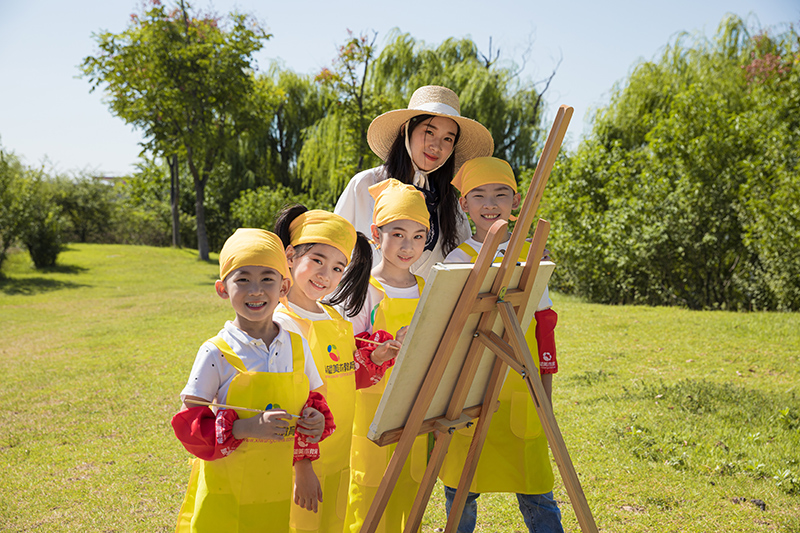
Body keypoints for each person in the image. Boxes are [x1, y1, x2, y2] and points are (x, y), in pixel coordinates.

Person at [171, 228, 335, 533]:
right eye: (242, 279)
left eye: (267, 279)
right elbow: (189, 423)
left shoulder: (296, 346)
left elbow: (310, 403)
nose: (256, 290)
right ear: (222, 288)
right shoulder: (216, 352)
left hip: (277, 489)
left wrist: (313, 424)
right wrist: (242, 427)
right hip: (226, 491)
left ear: (284, 286)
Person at [438, 157, 563, 533]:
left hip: (520, 384)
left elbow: (544, 324)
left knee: (535, 485)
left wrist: (547, 388)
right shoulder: (458, 259)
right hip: (470, 386)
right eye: (479, 195)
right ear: (465, 205)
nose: (490, 203)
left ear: (516, 199)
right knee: (461, 485)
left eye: (500, 194)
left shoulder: (531, 253)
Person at [271, 207, 395, 533]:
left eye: (338, 267)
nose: (326, 274)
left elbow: (345, 376)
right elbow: (287, 400)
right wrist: (303, 466)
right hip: (301, 465)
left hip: (339, 458)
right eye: (317, 260)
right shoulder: (281, 324)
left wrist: (376, 359)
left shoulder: (337, 321)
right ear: (289, 256)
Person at [343, 179, 432, 533]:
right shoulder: (366, 289)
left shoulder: (428, 289)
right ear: (376, 236)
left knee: (408, 491)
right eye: (397, 234)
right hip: (370, 411)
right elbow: (348, 351)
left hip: (413, 408)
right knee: (368, 494)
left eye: (417, 236)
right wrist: (377, 352)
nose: (407, 245)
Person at [334, 85, 495, 280]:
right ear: (406, 130)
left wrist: (514, 251)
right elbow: (332, 250)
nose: (436, 146)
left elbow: (466, 263)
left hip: (429, 309)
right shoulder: (365, 184)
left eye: (447, 139)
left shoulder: (450, 204)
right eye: (429, 132)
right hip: (368, 307)